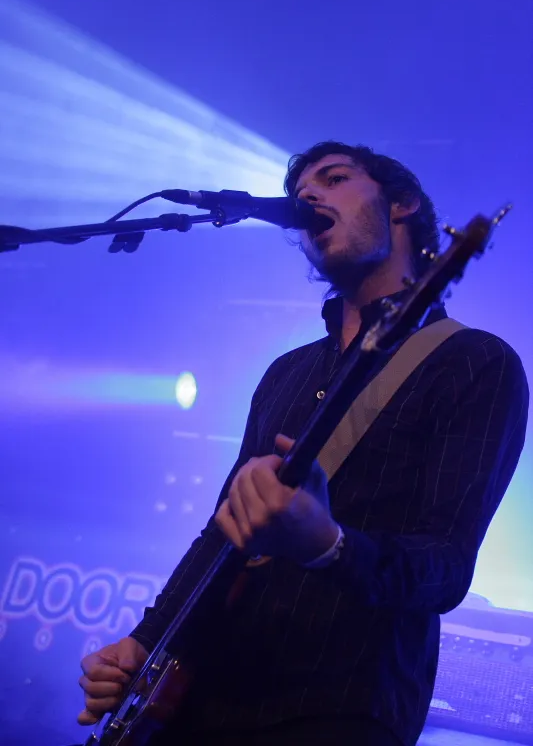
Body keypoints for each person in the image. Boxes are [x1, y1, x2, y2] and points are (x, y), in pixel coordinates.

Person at [76, 142, 529, 746]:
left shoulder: (474, 362)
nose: (309, 196)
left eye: (334, 179)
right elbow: (223, 531)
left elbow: (445, 568)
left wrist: (329, 545)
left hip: (336, 706)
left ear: (402, 205)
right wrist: (145, 641)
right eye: (300, 192)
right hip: (203, 695)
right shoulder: (286, 372)